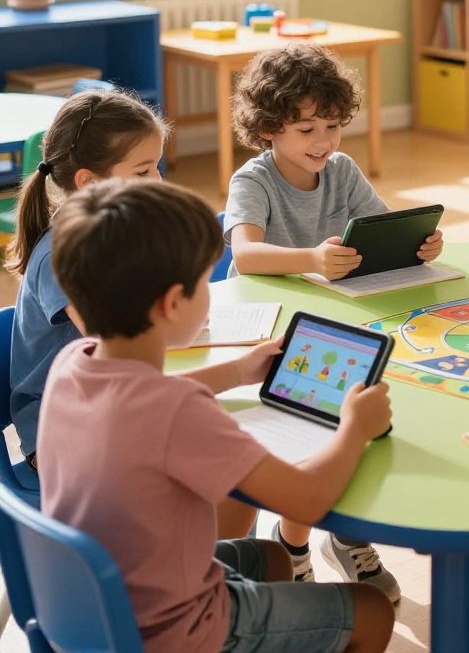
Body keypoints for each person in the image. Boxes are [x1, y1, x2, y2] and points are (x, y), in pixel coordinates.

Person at [39, 178, 395, 653]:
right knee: (370, 610)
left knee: (271, 558)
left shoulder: (74, 363)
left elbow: (143, 403)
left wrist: (237, 371)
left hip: (89, 607)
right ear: (172, 303)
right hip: (168, 631)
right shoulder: (178, 413)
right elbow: (307, 500)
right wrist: (354, 429)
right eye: (204, 283)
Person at [225, 42, 439, 598]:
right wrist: (312, 260)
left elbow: (383, 225)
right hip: (271, 334)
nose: (323, 142)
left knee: (362, 422)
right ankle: (294, 543)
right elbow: (245, 256)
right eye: (306, 129)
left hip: (331, 323)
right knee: (317, 432)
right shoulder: (254, 180)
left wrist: (418, 241)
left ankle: (341, 534)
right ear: (269, 128)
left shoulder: (341, 170)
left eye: (332, 126)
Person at [5, 88, 167, 469]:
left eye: (157, 166)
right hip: (60, 428)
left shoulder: (118, 231)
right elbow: (119, 349)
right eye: (143, 171)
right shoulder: (63, 256)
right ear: (89, 182)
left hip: (107, 395)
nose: (158, 182)